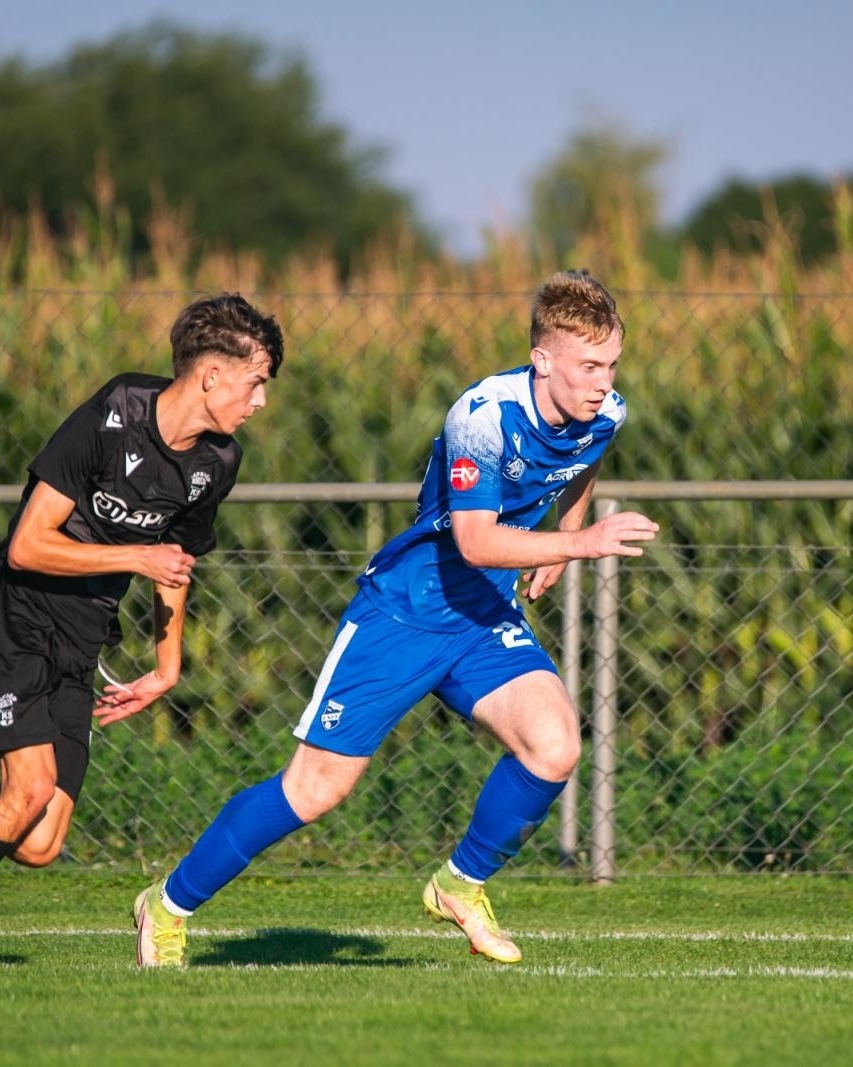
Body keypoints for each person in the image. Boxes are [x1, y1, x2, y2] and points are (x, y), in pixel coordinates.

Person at [133, 269, 657, 968]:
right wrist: (580, 544)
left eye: (612, 363)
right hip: (406, 611)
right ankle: (166, 904)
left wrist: (563, 534)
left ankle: (459, 885)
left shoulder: (606, 412)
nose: (603, 381)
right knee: (314, 790)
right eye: (589, 365)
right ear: (542, 359)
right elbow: (473, 543)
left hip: (482, 614)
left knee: (554, 744)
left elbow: (581, 465)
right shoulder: (482, 418)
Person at [0, 293, 285, 965]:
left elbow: (173, 567)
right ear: (212, 373)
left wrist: (168, 666)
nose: (260, 401)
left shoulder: (217, 463)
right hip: (17, 618)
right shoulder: (116, 414)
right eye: (256, 382)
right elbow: (27, 545)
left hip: (81, 640)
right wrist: (135, 553)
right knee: (28, 790)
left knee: (38, 842)